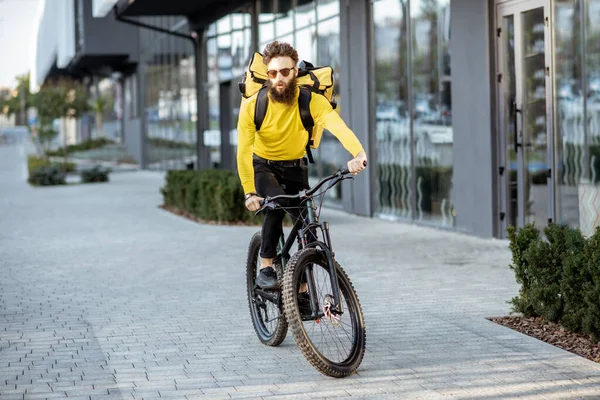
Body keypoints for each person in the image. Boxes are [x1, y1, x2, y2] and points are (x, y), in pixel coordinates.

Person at [236, 41, 367, 290]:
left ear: (295, 71)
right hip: (263, 166)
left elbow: (337, 126)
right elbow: (243, 151)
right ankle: (266, 264)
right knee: (274, 203)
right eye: (273, 73)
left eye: (285, 71)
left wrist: (358, 152)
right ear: (267, 75)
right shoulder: (254, 106)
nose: (279, 78)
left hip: (296, 166)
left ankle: (304, 292)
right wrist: (249, 191)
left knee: (308, 228)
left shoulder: (311, 101)